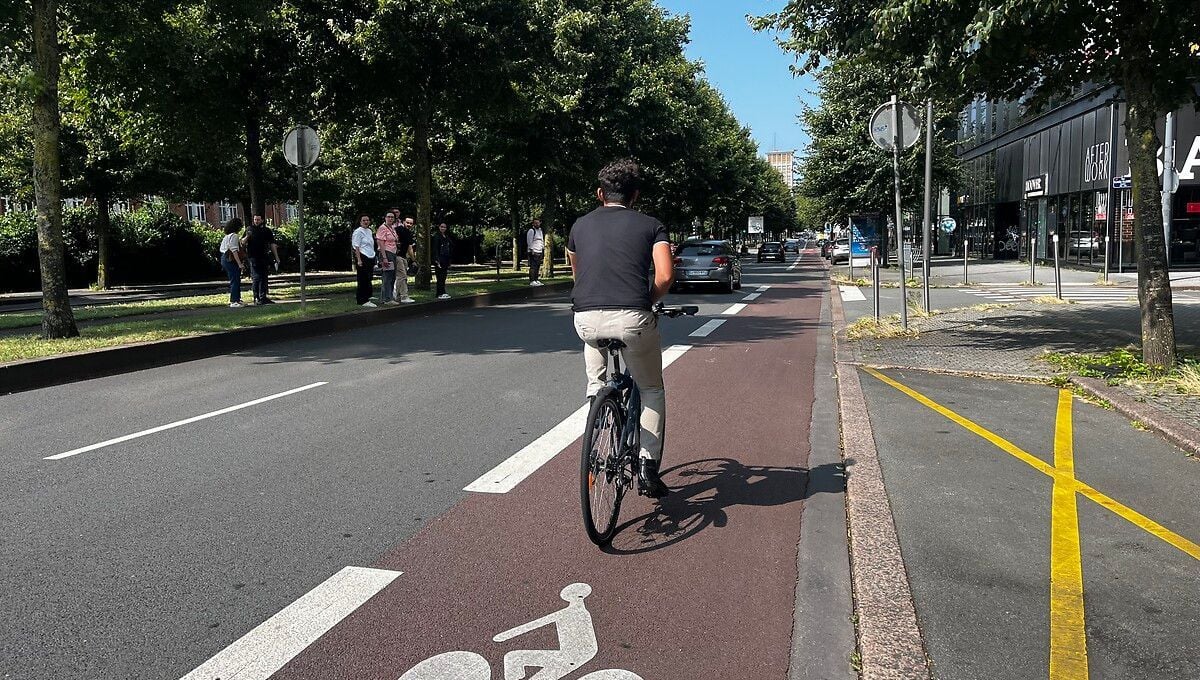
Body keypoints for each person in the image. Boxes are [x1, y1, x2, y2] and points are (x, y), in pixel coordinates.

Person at [566, 158, 674, 497]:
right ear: (635, 196)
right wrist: (649, 300)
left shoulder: (578, 226)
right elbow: (665, 275)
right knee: (652, 389)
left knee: (595, 357)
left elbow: (577, 272)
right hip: (633, 317)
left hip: (584, 317)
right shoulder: (651, 226)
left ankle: (598, 406)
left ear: (600, 193)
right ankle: (647, 468)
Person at [241, 214, 280, 304]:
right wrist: (247, 236)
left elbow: (272, 244)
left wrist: (276, 257)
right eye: (255, 219)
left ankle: (263, 297)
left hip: (263, 256)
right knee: (256, 277)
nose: (256, 221)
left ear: (262, 220)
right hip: (253, 256)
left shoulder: (266, 231)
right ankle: (256, 297)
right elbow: (242, 242)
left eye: (258, 219)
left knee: (263, 277)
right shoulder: (249, 229)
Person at [219, 218, 246, 308]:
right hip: (230, 259)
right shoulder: (234, 236)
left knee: (235, 279)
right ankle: (234, 300)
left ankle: (237, 299)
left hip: (224, 257)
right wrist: (239, 263)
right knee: (235, 279)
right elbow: (234, 251)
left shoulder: (227, 236)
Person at [352, 214, 377, 307]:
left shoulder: (369, 231)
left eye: (367, 220)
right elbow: (356, 246)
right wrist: (359, 259)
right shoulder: (358, 232)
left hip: (370, 256)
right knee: (363, 278)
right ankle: (362, 299)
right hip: (363, 256)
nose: (366, 222)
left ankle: (368, 295)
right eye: (364, 220)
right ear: (360, 222)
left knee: (369, 278)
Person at [376, 212, 399, 305]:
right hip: (387, 253)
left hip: (393, 252)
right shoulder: (382, 228)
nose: (390, 219)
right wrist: (384, 257)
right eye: (388, 217)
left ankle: (387, 297)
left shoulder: (392, 228)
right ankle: (387, 299)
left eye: (392, 217)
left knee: (392, 276)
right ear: (385, 218)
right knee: (387, 276)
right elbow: (380, 242)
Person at [394, 216, 417, 303]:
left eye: (411, 223)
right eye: (407, 222)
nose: (409, 225)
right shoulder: (398, 229)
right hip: (397, 256)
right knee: (402, 276)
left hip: (403, 257)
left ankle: (401, 296)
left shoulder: (409, 233)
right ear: (403, 222)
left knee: (402, 277)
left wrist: (413, 259)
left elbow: (410, 248)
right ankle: (398, 295)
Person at [432, 222, 453, 299]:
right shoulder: (437, 236)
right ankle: (439, 293)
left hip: (445, 258)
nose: (443, 228)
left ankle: (443, 291)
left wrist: (449, 260)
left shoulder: (446, 237)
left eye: (444, 227)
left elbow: (450, 247)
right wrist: (436, 260)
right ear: (439, 227)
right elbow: (435, 249)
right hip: (440, 258)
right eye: (441, 227)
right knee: (440, 276)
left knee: (443, 276)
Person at [527, 218, 545, 286]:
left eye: (538, 223)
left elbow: (541, 240)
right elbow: (529, 241)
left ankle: (536, 279)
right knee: (533, 266)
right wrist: (531, 250)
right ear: (533, 224)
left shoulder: (540, 231)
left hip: (539, 250)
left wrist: (542, 248)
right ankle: (532, 280)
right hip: (533, 251)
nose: (537, 224)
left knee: (537, 266)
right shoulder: (531, 231)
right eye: (535, 223)